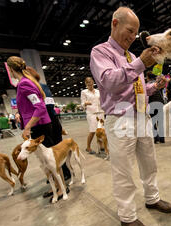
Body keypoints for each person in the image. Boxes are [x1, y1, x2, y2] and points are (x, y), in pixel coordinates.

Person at [90, 6, 171, 226]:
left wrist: (154, 87)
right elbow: (108, 81)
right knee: (123, 171)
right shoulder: (101, 52)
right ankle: (127, 216)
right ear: (115, 23)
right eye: (130, 30)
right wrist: (140, 64)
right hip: (119, 119)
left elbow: (135, 89)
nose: (133, 36)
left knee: (149, 162)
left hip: (141, 115)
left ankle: (152, 198)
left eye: (135, 32)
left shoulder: (131, 57)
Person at [7, 56, 68, 200]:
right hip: (41, 124)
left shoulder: (24, 84)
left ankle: (61, 189)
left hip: (39, 126)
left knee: (50, 161)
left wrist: (27, 127)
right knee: (47, 162)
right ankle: (57, 188)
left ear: (10, 69)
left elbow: (40, 107)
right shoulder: (28, 82)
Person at [26, 66, 72, 183]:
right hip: (50, 121)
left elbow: (45, 106)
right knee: (53, 149)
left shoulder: (38, 87)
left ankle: (62, 174)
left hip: (48, 121)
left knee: (54, 150)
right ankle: (58, 174)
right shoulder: (40, 87)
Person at [81, 77, 105, 154]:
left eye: (90, 81)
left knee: (101, 130)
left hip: (100, 112)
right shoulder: (84, 92)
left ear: (93, 82)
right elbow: (82, 103)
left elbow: (102, 101)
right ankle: (88, 147)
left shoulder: (98, 91)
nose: (89, 83)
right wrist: (85, 103)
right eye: (87, 82)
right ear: (85, 83)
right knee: (92, 131)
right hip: (91, 114)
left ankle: (101, 146)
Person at [147, 71, 166, 144]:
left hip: (152, 103)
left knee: (153, 122)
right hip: (160, 103)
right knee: (160, 121)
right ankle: (162, 139)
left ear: (148, 78)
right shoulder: (157, 84)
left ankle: (156, 138)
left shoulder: (148, 84)